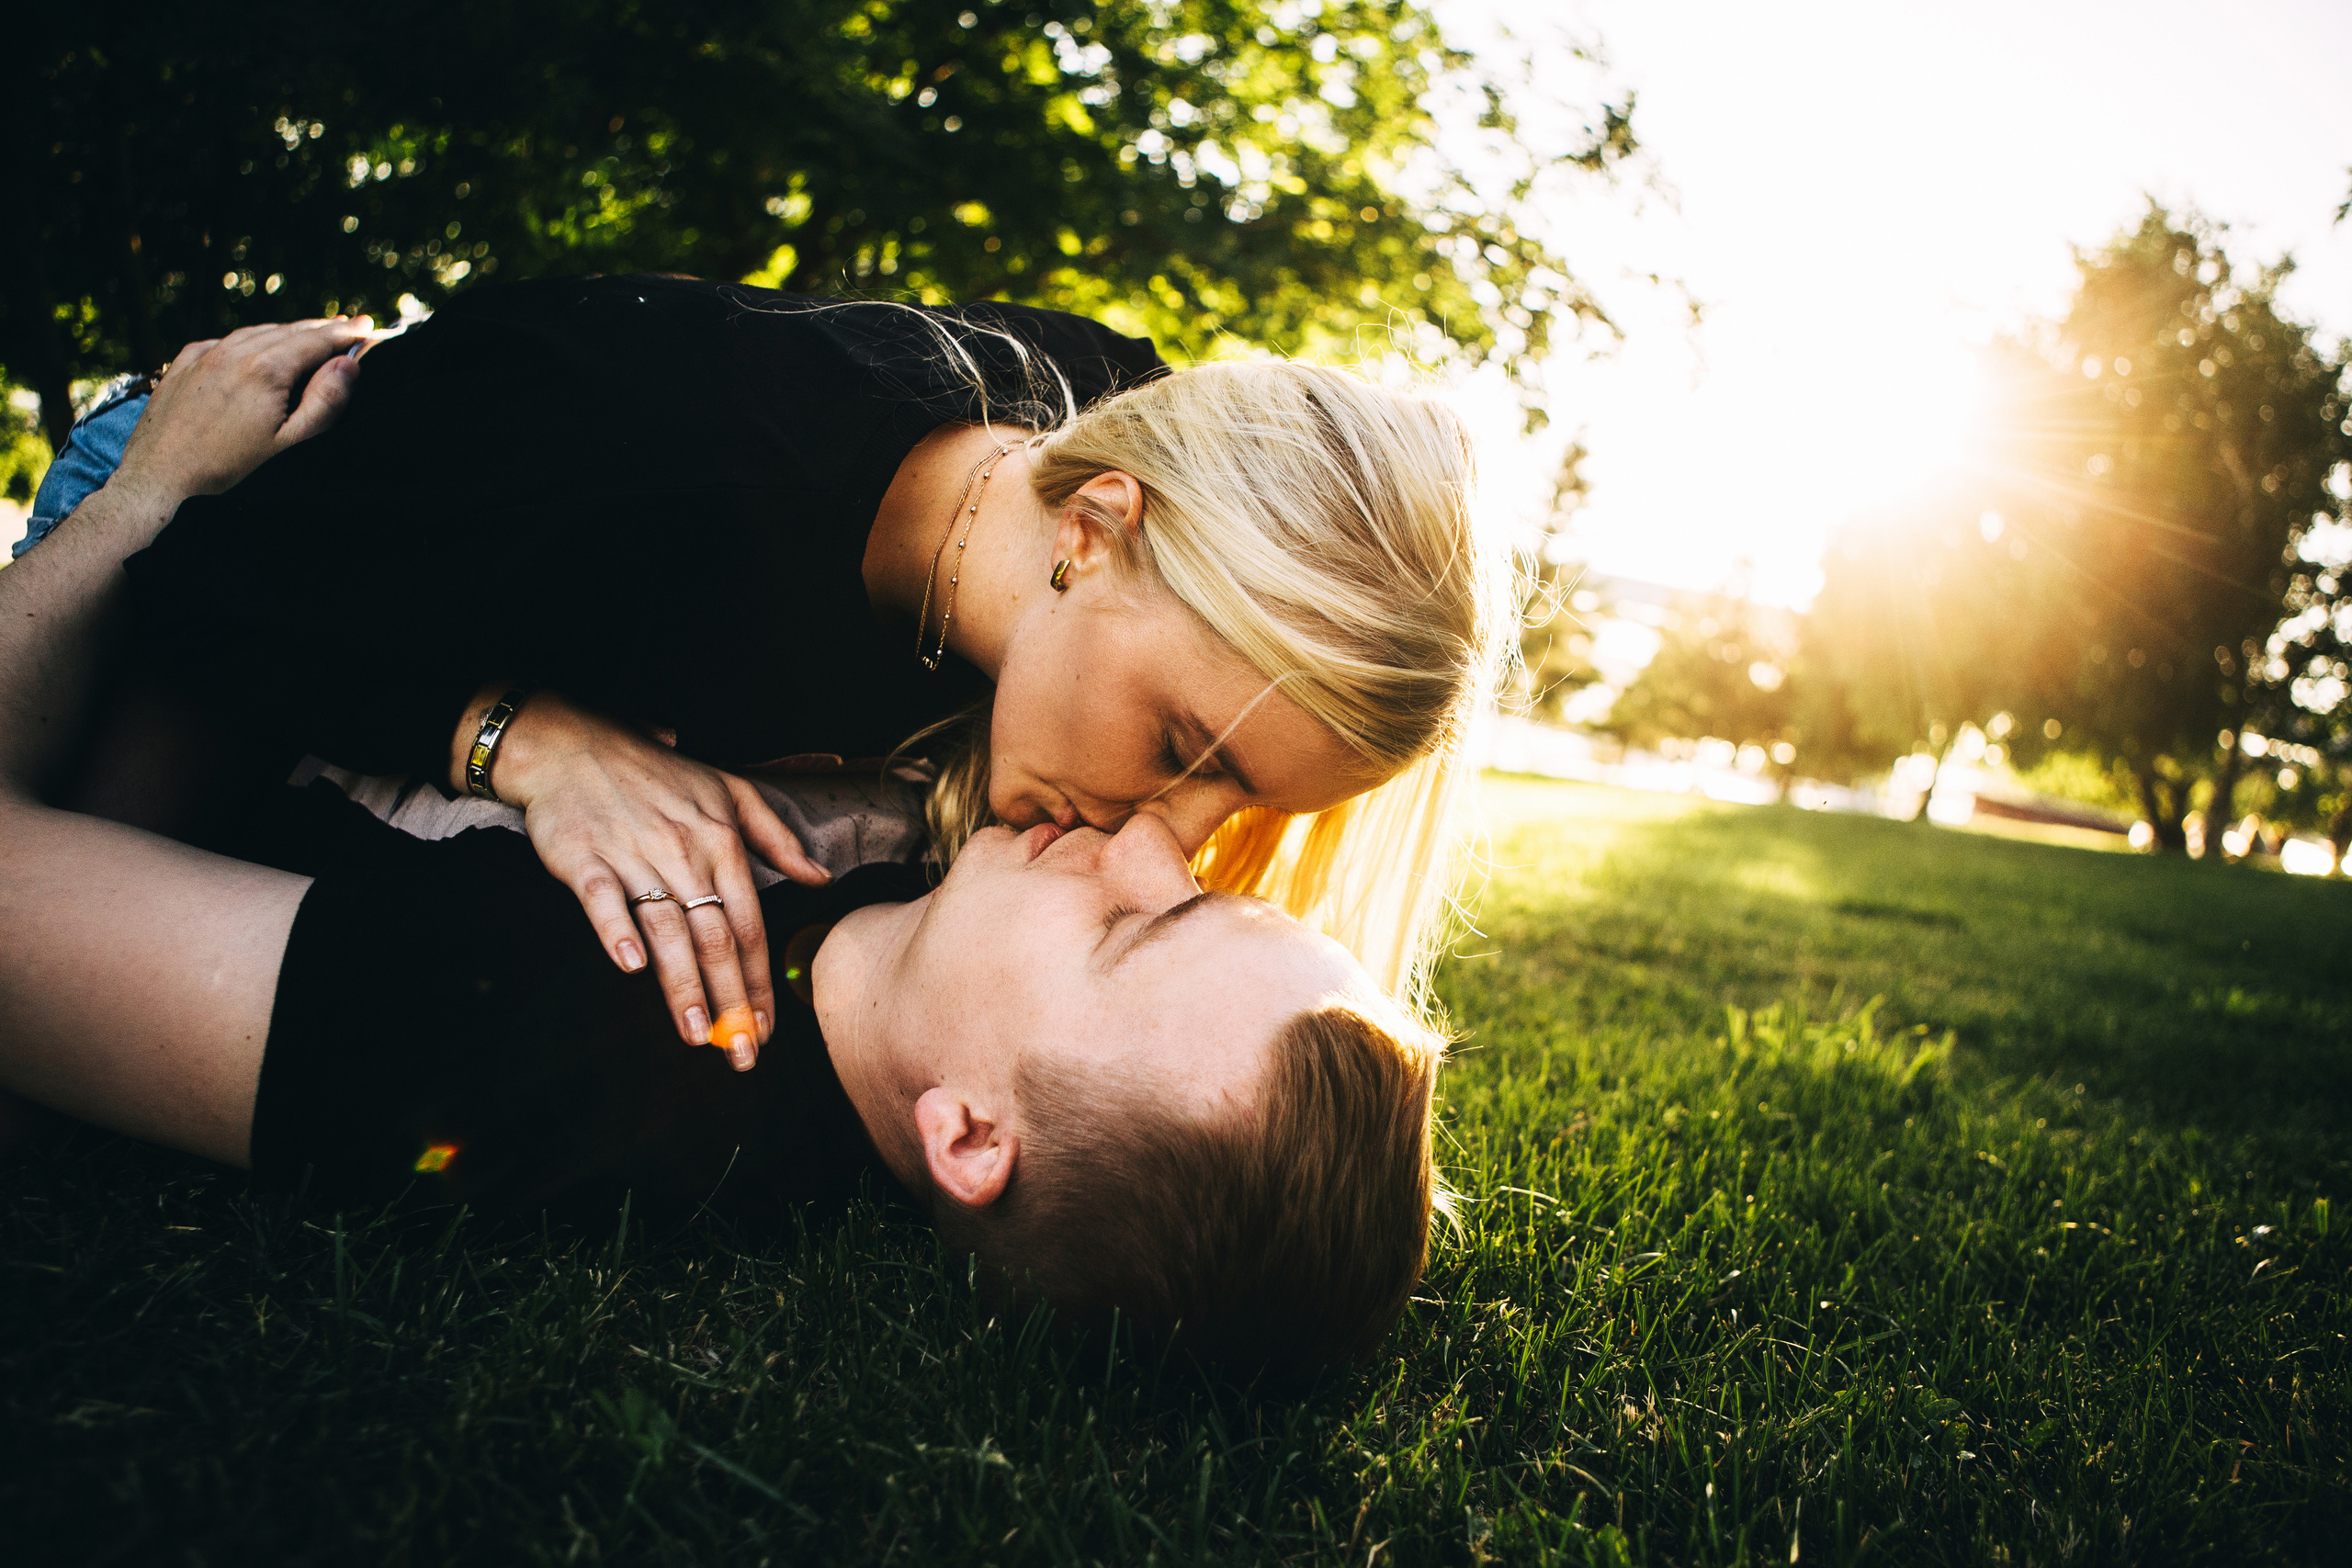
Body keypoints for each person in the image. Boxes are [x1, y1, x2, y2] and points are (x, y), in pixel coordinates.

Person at [0, 323, 1448, 1382]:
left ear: (968, 1136)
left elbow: (67, 842)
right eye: (1210, 875)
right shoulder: (950, 851)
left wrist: (152, 498)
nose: (1156, 851)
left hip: (220, 514)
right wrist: (536, 736)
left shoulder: (533, 1047)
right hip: (396, 469)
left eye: (1144, 928)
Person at [41, 275, 1498, 1070]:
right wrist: (536, 742)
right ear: (1097, 528)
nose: (1161, 850)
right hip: (244, 473)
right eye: (1190, 743)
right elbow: (210, 593)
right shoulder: (655, 448)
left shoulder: (1114, 423)